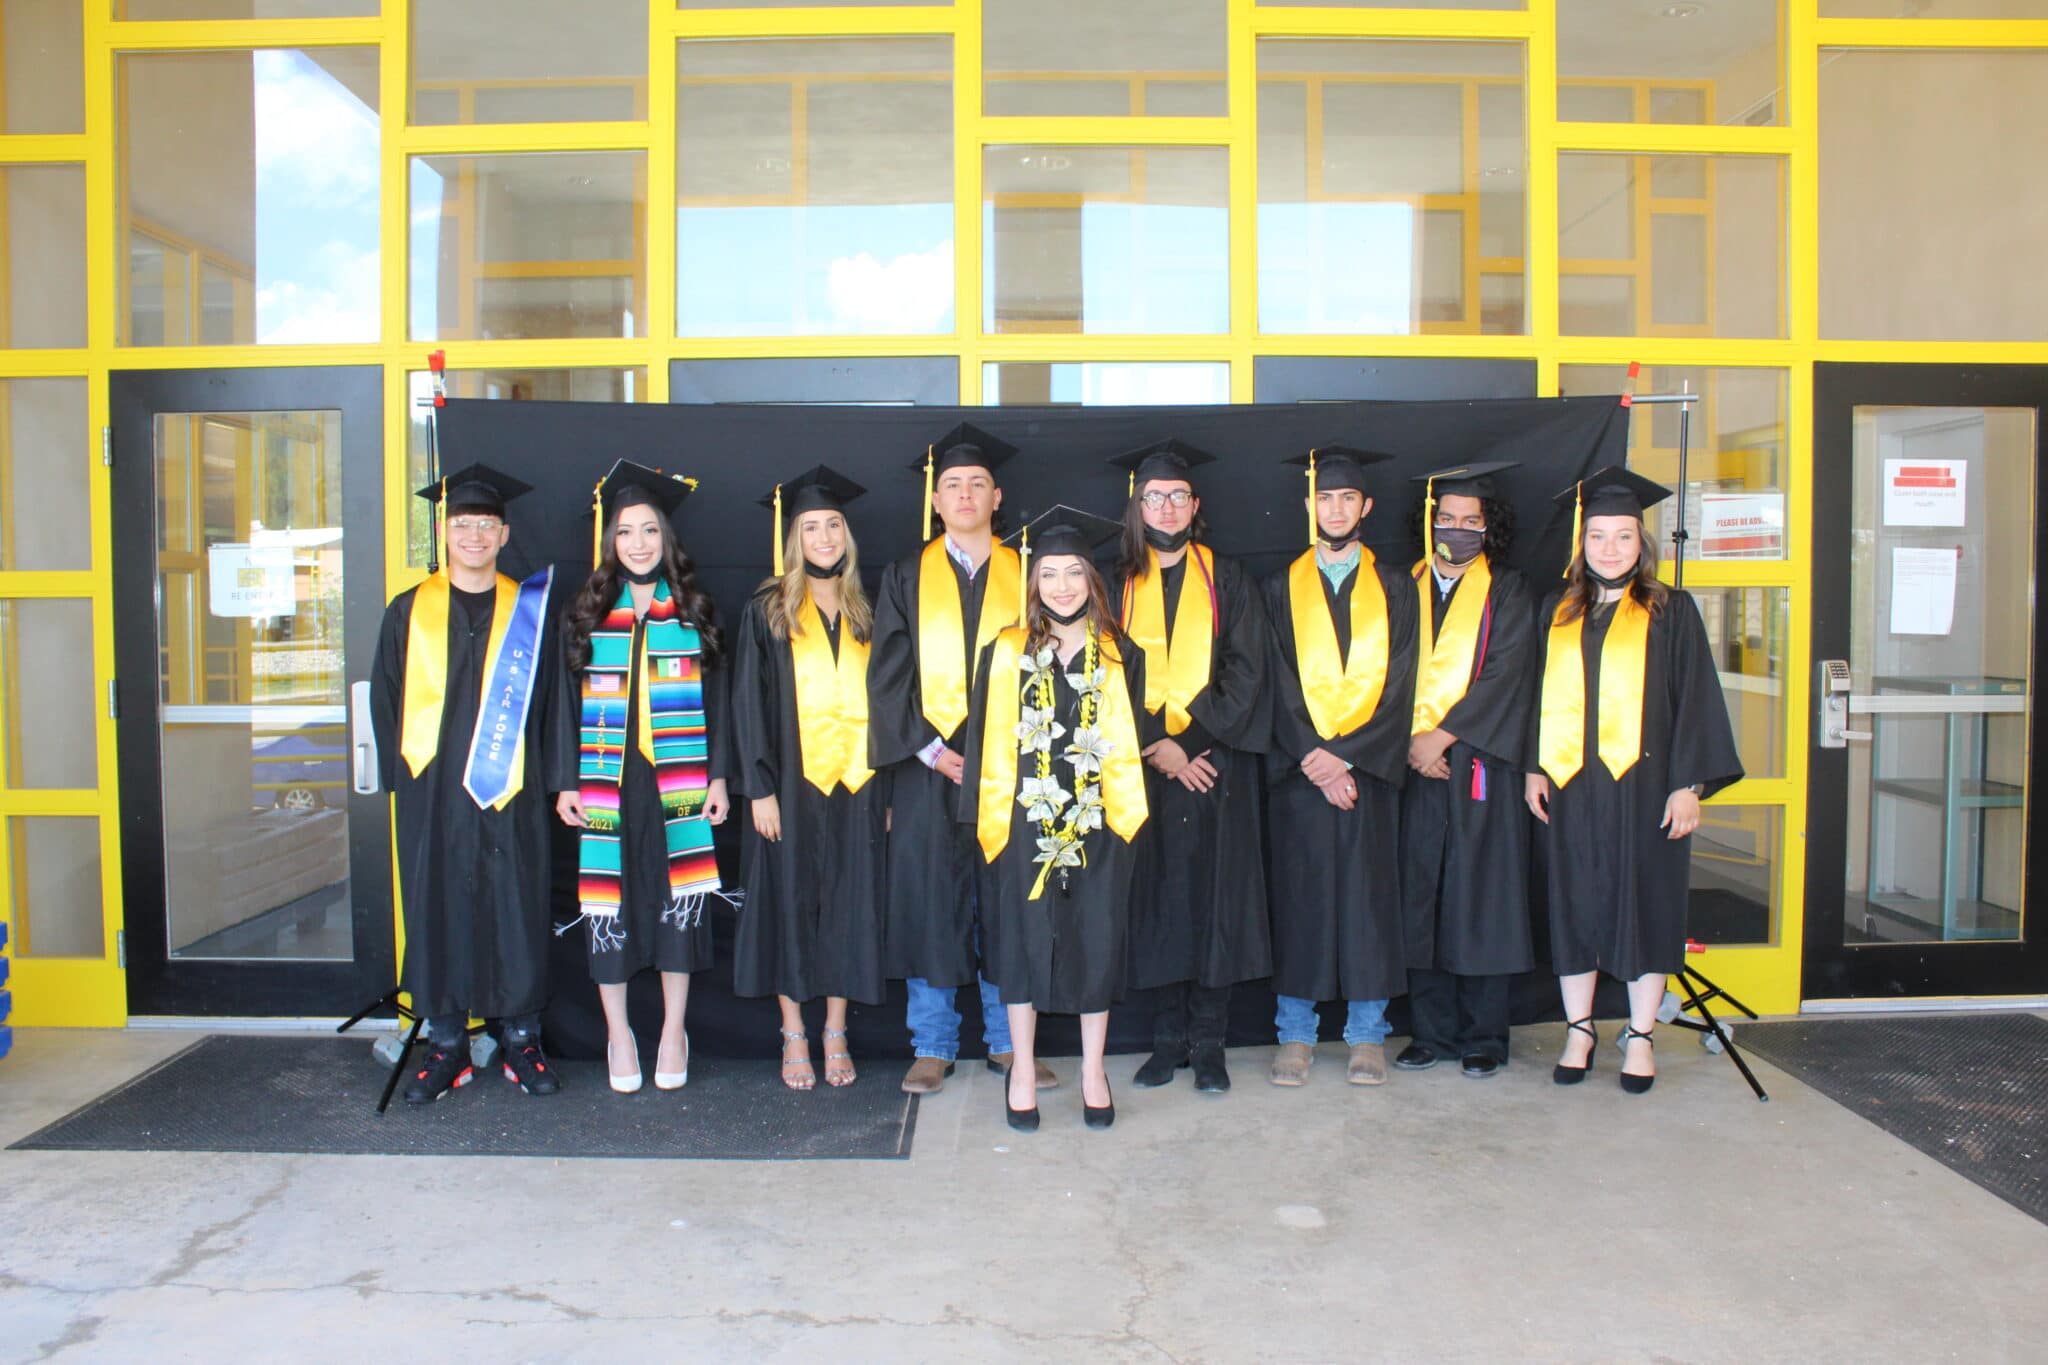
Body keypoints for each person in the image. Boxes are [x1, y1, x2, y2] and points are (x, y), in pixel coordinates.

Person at [1524, 466, 1742, 1094]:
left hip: (1648, 787)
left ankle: (1641, 1035)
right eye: (1598, 537)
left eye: (1623, 537)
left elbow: (1697, 699)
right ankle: (1580, 1029)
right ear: (1581, 543)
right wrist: (1535, 767)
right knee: (1573, 905)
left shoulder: (1671, 610)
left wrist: (1689, 784)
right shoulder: (1557, 610)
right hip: (1571, 786)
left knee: (1648, 904)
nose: (1610, 549)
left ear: (1641, 544)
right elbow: (1535, 699)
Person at [868, 424, 1055, 1096]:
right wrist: (933, 749)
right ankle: (933, 1041)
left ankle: (1009, 1041)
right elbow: (887, 679)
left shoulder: (1034, 571)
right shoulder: (903, 576)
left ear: (997, 495)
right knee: (929, 903)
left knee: (1007, 903)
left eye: (978, 483)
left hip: (1014, 771)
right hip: (928, 770)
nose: (966, 493)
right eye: (953, 484)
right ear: (937, 500)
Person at [369, 462, 564, 1105]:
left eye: (486, 525)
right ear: (445, 531)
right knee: (438, 908)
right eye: (462, 524)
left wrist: (557, 781)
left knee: (516, 907)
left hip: (513, 790)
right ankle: (446, 1043)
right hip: (433, 795)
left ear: (505, 534)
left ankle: (522, 1039)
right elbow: (388, 701)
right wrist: (408, 784)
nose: (474, 535)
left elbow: (556, 705)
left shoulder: (530, 612)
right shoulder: (408, 611)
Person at [958, 506, 1148, 1132]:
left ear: (1093, 580)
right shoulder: (1004, 651)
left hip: (1101, 819)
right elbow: (984, 744)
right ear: (1032, 581)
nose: (1061, 585)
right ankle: (1022, 1068)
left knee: (1096, 940)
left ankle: (1094, 1070)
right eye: (1048, 573)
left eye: (1073, 573)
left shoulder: (1123, 655)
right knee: (1021, 942)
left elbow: (1135, 743)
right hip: (1020, 821)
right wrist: (984, 824)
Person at [555, 460, 732, 1096]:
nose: (638, 543)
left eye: (649, 531)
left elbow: (722, 702)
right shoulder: (586, 616)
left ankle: (674, 1031)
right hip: (609, 781)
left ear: (666, 540)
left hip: (677, 781)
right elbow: (562, 707)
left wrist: (718, 777)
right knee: (610, 906)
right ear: (612, 542)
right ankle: (619, 1033)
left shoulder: (691, 612)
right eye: (626, 532)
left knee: (677, 903)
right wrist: (565, 783)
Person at [1106, 439, 1272, 1094]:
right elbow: (1100, 671)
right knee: (1155, 907)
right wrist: (1157, 744)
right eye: (1155, 496)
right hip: (1141, 768)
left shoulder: (1226, 577)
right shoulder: (1114, 581)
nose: (1167, 506)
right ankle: (1164, 1040)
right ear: (1138, 504)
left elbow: (1248, 667)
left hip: (1212, 771)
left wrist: (1193, 741)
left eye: (1178, 495)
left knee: (1213, 906)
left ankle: (1209, 1044)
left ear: (1194, 505)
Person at [1261, 446, 1419, 1088]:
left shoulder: (1398, 588)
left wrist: (1349, 757)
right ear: (1309, 506)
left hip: (1368, 776)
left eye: (1347, 498)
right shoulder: (1279, 587)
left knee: (1369, 903)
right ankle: (1295, 1035)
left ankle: (1366, 1036)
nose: (1336, 508)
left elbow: (1402, 683)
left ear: (1366, 507)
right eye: (1325, 498)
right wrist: (1314, 759)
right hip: (1302, 776)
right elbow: (1274, 682)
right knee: (1300, 900)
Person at [730, 466, 888, 1090]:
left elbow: (888, 702)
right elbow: (746, 701)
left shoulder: (868, 608)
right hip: (790, 787)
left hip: (859, 786)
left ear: (847, 535)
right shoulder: (768, 609)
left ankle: (836, 1031)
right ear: (794, 538)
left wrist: (887, 791)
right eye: (811, 527)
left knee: (853, 905)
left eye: (833, 525)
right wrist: (759, 788)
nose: (824, 537)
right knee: (788, 907)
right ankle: (795, 1032)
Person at [1394, 462, 1538, 1081]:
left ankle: (1485, 1035)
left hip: (1481, 767)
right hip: (1412, 767)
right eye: (1446, 520)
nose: (1457, 531)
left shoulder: (1509, 590)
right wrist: (1407, 744)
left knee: (1483, 899)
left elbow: (1509, 673)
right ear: (1430, 525)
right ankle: (1430, 1033)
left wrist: (1442, 737)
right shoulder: (1404, 587)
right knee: (1420, 896)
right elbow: (1380, 671)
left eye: (1470, 522)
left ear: (1490, 528)